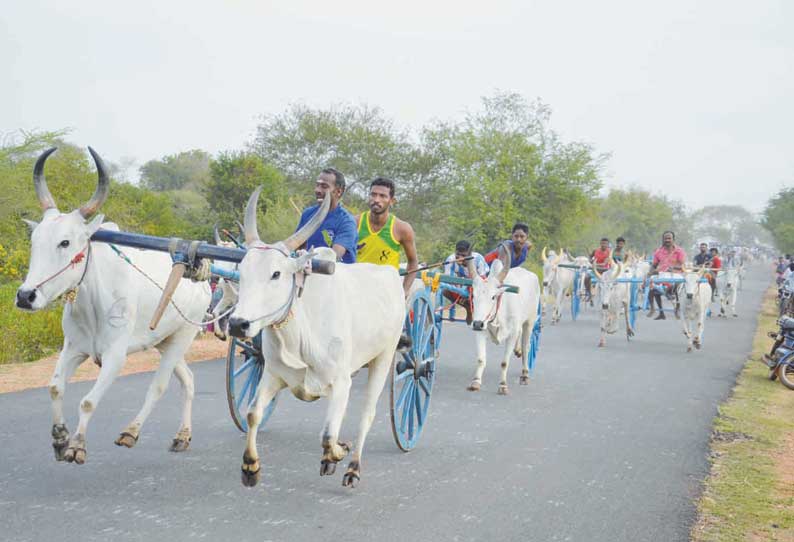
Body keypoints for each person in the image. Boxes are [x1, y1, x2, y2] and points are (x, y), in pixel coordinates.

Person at [355, 177, 419, 296]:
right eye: (373, 195)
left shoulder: (402, 228)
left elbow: (413, 261)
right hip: (357, 285)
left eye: (382, 196)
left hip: (386, 289)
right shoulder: (355, 223)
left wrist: (404, 290)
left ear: (392, 201)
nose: (376, 200)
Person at [295, 168, 357, 263]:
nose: (317, 190)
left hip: (337, 275)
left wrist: (307, 258)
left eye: (324, 186)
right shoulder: (308, 214)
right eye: (317, 185)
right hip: (309, 272)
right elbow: (297, 247)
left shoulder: (346, 221)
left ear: (338, 191)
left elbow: (333, 257)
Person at [442, 240, 489, 325]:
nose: (459, 258)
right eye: (458, 255)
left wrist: (470, 294)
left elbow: (482, 281)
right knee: (445, 291)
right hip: (462, 285)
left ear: (469, 254)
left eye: (463, 255)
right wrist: (462, 293)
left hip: (479, 284)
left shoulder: (478, 259)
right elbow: (449, 280)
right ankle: (468, 307)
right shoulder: (450, 260)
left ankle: (473, 308)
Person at [647, 231, 686, 320]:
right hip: (662, 274)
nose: (667, 240)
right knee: (652, 287)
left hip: (675, 274)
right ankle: (657, 311)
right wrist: (650, 273)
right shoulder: (658, 251)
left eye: (669, 238)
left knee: (677, 285)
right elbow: (654, 265)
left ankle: (676, 310)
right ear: (663, 240)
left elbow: (682, 265)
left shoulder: (679, 251)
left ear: (673, 239)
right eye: (665, 238)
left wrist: (672, 267)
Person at [584, 238, 613, 303]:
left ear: (608, 245)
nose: (603, 245)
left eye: (605, 244)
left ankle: (607, 296)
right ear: (600, 244)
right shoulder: (595, 250)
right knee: (586, 277)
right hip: (595, 271)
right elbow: (590, 257)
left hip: (605, 272)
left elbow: (604, 264)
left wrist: (594, 264)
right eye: (602, 243)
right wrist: (590, 260)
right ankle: (589, 293)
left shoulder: (609, 252)